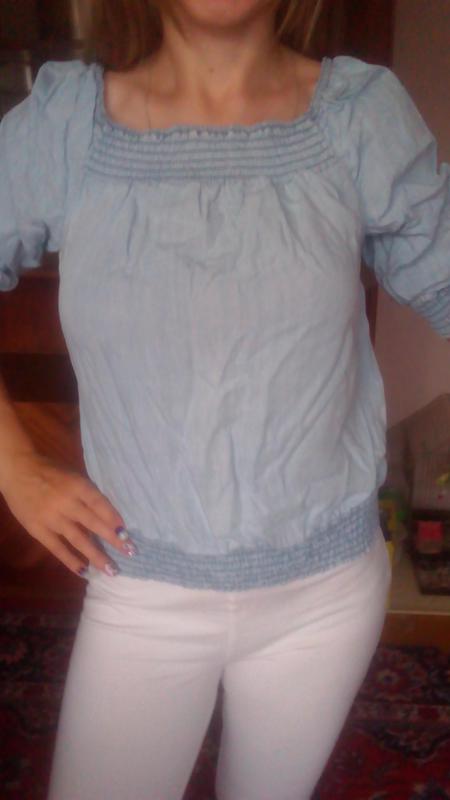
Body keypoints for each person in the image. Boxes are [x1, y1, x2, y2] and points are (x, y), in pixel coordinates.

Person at [0, 0, 449, 798]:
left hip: (324, 596)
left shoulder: (358, 116)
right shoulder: (66, 126)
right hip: (141, 589)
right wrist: (16, 470)